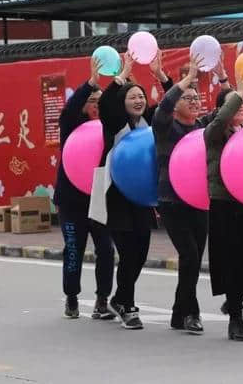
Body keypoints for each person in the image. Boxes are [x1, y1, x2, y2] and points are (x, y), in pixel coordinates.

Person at [95, 51, 173, 330]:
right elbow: (104, 103)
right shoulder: (114, 124)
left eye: (141, 96)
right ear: (123, 103)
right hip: (117, 196)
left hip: (142, 196)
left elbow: (171, 102)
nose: (139, 101)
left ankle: (121, 298)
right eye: (132, 97)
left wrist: (161, 76)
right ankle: (126, 304)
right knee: (128, 252)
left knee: (140, 252)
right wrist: (123, 72)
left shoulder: (149, 122)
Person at [152, 55, 219, 335]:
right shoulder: (166, 127)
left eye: (196, 97)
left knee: (191, 260)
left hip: (199, 201)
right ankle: (191, 312)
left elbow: (226, 107)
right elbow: (164, 105)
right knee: (190, 255)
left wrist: (226, 77)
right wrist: (186, 79)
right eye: (187, 97)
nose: (194, 101)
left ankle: (178, 313)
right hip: (172, 202)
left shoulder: (203, 128)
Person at [204, 68, 243, 342]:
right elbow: (219, 121)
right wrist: (237, 91)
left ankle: (233, 302)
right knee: (231, 262)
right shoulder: (213, 134)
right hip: (224, 204)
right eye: (234, 104)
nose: (241, 107)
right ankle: (236, 317)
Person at [54, 58, 116, 320]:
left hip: (100, 199)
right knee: (73, 248)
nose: (98, 106)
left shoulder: (109, 128)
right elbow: (68, 110)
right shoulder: (71, 125)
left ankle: (102, 301)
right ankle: (71, 297)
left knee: (106, 249)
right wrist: (90, 83)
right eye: (93, 101)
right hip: (71, 200)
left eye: (101, 102)